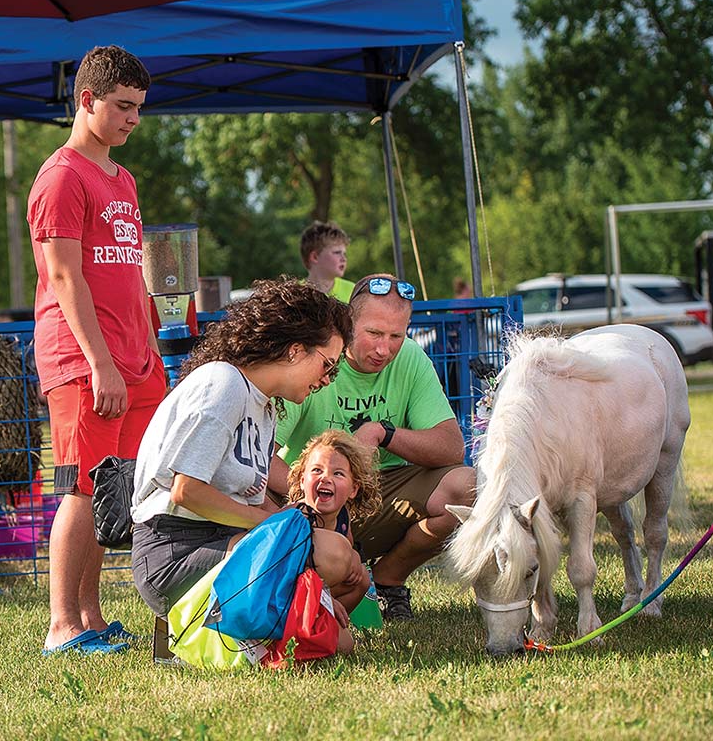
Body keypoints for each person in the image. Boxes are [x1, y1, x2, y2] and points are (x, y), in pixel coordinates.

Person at [130, 277, 360, 651]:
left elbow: (254, 501)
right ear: (295, 350)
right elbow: (186, 491)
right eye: (327, 365)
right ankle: (199, 626)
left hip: (222, 540)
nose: (328, 379)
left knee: (341, 639)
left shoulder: (264, 406)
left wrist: (299, 557)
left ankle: (221, 629)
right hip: (173, 550)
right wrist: (280, 530)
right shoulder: (224, 385)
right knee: (329, 554)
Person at [28, 45, 167, 655]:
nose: (134, 119)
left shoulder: (124, 178)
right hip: (83, 362)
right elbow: (63, 277)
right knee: (79, 488)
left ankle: (90, 615)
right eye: (123, 106)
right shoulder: (61, 176)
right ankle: (62, 626)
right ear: (86, 100)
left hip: (132, 359)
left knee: (118, 489)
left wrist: (147, 346)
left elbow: (128, 270)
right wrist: (101, 362)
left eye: (139, 108)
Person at [268, 273, 477, 620]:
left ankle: (388, 579)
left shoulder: (410, 358)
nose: (385, 349)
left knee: (468, 486)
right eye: (375, 333)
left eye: (397, 335)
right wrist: (316, 495)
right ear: (348, 323)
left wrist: (385, 433)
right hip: (311, 502)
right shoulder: (317, 357)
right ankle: (317, 590)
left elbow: (452, 448)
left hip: (383, 494)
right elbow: (261, 457)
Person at [286, 429, 382, 618]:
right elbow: (288, 573)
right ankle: (305, 623)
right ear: (303, 480)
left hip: (319, 591)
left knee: (361, 577)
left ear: (353, 489)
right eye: (317, 470)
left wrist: (353, 557)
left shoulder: (342, 516)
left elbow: (348, 545)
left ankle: (328, 621)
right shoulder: (297, 516)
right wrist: (324, 597)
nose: (326, 478)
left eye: (337, 473)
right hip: (287, 595)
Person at [301, 220, 355, 302]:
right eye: (337, 252)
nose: (344, 258)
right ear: (315, 257)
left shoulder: (354, 292)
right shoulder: (293, 294)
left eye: (344, 253)